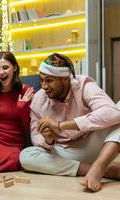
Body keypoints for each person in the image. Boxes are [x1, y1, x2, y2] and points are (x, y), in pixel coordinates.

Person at [20, 53, 120, 192]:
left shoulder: (83, 85)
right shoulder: (38, 100)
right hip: (64, 152)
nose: (44, 86)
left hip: (93, 143)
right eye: (42, 80)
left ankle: (100, 166)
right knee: (26, 156)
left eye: (49, 80)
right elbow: (35, 136)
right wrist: (47, 140)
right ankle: (102, 170)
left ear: (65, 79)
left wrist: (61, 125)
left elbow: (113, 113)